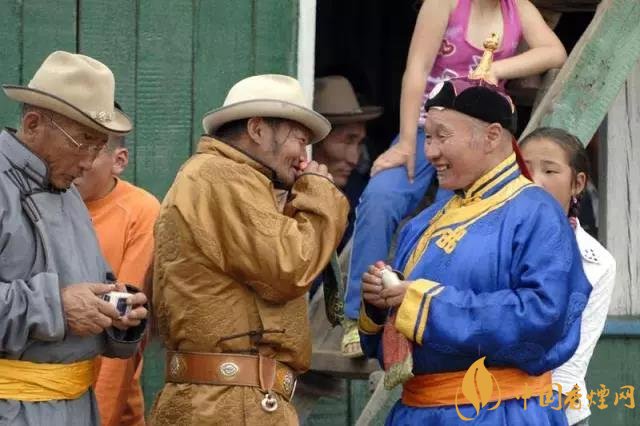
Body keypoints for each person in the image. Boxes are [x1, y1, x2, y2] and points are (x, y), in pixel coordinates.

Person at [358, 75, 591, 425]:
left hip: (500, 412)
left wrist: (426, 305)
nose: (430, 152)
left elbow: (545, 316)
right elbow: (393, 351)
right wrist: (381, 306)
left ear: (492, 136)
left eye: (442, 136)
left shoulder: (536, 212)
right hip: (416, 412)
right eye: (427, 137)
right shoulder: (422, 223)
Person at [345, 0, 568, 356]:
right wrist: (406, 143)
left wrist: (496, 68)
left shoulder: (517, 6)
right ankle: (356, 317)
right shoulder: (444, 3)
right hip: (426, 128)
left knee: (457, 218)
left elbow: (554, 52)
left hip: (476, 139)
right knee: (381, 196)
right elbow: (416, 70)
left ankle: (430, 320)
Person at [150, 74, 350, 426]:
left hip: (229, 402)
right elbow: (290, 266)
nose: (304, 157)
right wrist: (320, 194)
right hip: (230, 405)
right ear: (257, 130)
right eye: (299, 141)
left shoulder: (225, 178)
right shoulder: (222, 176)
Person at [0, 51, 148, 426]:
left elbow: (90, 287)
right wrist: (56, 308)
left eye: (99, 147)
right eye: (82, 141)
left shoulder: (70, 195)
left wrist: (117, 312)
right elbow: (63, 305)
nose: (89, 161)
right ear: (33, 124)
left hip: (79, 409)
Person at [521, 127, 616, 426]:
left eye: (549, 171)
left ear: (578, 183)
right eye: (524, 168)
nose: (534, 180)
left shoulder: (597, 262)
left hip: (557, 412)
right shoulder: (491, 240)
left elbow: (570, 367)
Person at [74, 111, 160, 426]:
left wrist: (99, 417)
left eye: (91, 151)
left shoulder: (140, 211)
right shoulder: (45, 202)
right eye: (72, 146)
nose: (78, 161)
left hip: (106, 405)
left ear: (119, 160)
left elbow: (121, 323)